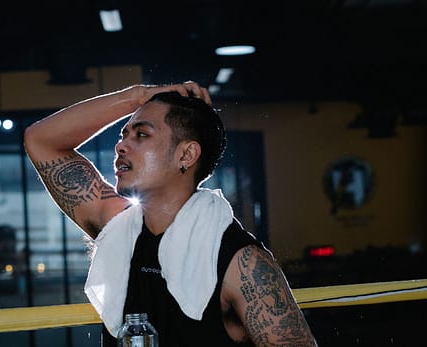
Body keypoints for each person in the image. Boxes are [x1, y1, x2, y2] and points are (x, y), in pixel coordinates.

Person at [24, 81, 318, 346]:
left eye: (141, 134)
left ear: (186, 155)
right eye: (124, 134)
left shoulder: (241, 262)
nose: (121, 145)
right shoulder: (118, 227)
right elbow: (40, 140)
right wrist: (137, 96)